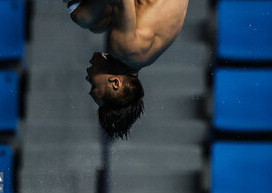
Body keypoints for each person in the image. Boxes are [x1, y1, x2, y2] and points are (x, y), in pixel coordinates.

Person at [67, 0, 189, 140]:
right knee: (82, 16)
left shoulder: (143, 58)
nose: (87, 78)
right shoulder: (123, 48)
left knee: (97, 22)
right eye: (94, 86)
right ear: (115, 83)